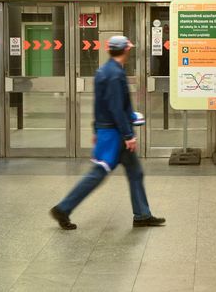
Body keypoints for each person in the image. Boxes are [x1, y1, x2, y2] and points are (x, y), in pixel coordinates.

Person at [50, 35, 165, 230]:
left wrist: (96, 128)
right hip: (115, 135)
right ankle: (64, 207)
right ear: (126, 50)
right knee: (98, 173)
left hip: (107, 130)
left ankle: (142, 214)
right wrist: (128, 136)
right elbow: (115, 107)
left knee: (135, 171)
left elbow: (99, 104)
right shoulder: (114, 74)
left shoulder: (103, 71)